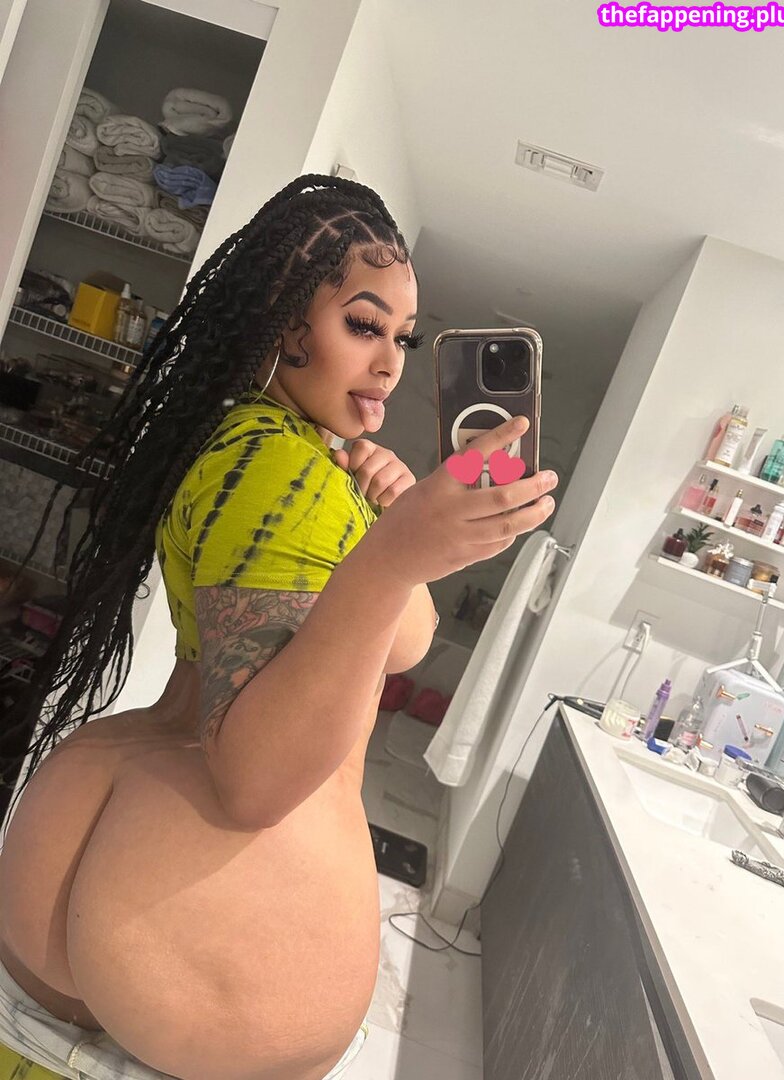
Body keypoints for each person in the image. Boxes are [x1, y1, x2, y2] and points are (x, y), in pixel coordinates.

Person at [0, 174, 558, 1080]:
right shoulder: (283, 470)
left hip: (110, 906)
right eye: (364, 325)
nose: (391, 364)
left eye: (404, 338)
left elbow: (402, 641)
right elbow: (253, 781)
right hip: (185, 915)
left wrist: (395, 523)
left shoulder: (281, 453)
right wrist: (390, 559)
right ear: (282, 321)